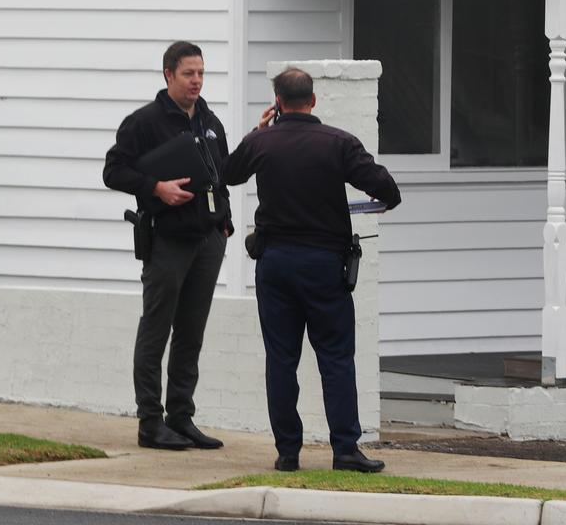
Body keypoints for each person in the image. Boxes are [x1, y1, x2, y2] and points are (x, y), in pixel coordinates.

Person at [222, 67, 400, 473]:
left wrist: (257, 130)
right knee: (336, 357)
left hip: (276, 263)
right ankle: (345, 449)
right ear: (313, 100)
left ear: (278, 102)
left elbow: (230, 174)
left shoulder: (261, 142)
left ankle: (287, 451)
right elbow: (387, 189)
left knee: (281, 359)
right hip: (323, 264)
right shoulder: (337, 142)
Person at [103, 41, 233, 451]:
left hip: (208, 240)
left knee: (191, 333)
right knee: (156, 329)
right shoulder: (143, 123)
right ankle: (150, 422)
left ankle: (181, 417)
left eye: (200, 74)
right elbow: (113, 171)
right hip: (167, 240)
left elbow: (220, 174)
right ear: (168, 75)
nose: (196, 81)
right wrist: (155, 188)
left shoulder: (210, 120)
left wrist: (224, 222)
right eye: (188, 74)